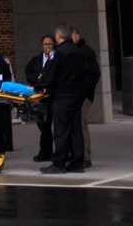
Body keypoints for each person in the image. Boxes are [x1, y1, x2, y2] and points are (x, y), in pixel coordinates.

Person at [37, 23, 86, 174]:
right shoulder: (79, 52)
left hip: (62, 96)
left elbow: (50, 74)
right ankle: (77, 162)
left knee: (61, 130)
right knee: (76, 129)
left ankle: (59, 163)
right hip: (77, 96)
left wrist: (39, 86)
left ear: (58, 36)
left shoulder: (58, 53)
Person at [70, 26, 100, 169]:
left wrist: (83, 92)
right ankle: (78, 154)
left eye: (70, 36)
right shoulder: (74, 51)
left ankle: (85, 156)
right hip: (76, 95)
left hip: (83, 96)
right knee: (76, 125)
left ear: (77, 36)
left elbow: (94, 74)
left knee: (81, 124)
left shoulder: (85, 52)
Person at [24, 35, 56, 162]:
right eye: (45, 44)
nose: (47, 46)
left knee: (59, 127)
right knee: (44, 126)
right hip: (41, 98)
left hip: (54, 96)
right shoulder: (36, 60)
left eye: (50, 44)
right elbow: (28, 73)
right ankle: (45, 153)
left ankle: (60, 152)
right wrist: (37, 78)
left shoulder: (57, 58)